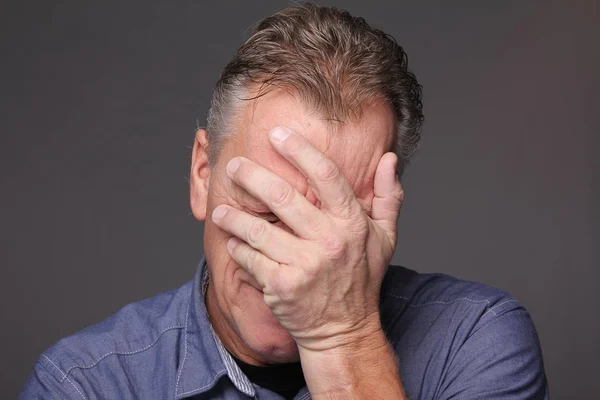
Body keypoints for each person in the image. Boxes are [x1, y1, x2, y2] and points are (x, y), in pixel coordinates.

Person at [20, 3, 548, 399]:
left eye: (333, 219)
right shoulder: (84, 383)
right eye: (265, 209)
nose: (293, 267)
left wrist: (341, 334)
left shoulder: (476, 340)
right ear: (203, 175)